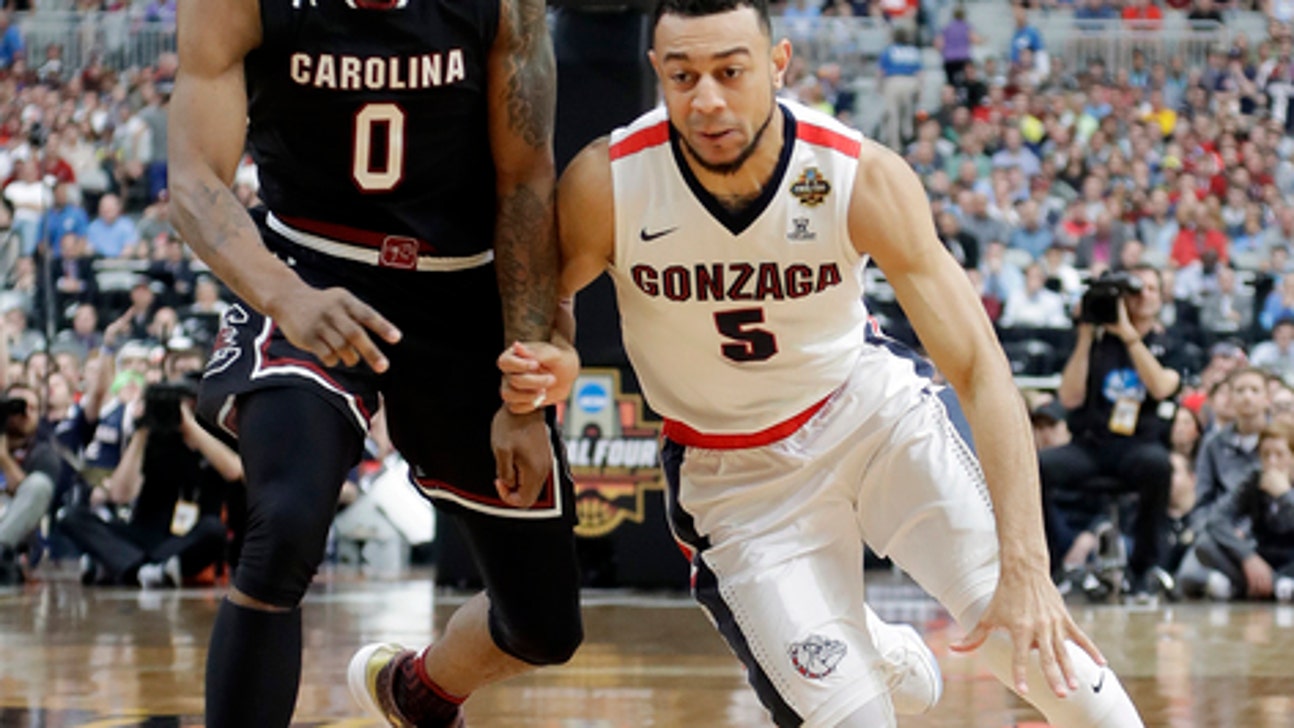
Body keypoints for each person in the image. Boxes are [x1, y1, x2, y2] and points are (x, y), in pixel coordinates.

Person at [503, 0, 1144, 724]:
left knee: (1048, 660)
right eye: (683, 76)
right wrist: (553, 353)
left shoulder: (855, 174)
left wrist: (1030, 570)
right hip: (735, 478)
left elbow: (982, 370)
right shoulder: (609, 181)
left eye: (729, 71)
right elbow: (546, 296)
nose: (706, 99)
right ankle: (868, 647)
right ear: (657, 72)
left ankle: (877, 637)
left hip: (870, 417)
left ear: (778, 66)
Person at [168, 0, 576, 725]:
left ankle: (418, 689)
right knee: (283, 527)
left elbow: (526, 184)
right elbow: (196, 180)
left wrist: (524, 403)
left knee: (542, 627)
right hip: (306, 269)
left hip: (459, 283)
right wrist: (289, 299)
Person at [1040, 264, 1179, 603]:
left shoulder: (1168, 343)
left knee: (1159, 466)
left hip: (1137, 447)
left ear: (1161, 298)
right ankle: (1054, 563)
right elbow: (1069, 397)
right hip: (1091, 447)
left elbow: (1161, 387)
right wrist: (1086, 335)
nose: (1143, 295)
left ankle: (1143, 570)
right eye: (1136, 289)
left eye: (1151, 289)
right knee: (1037, 466)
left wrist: (1129, 334)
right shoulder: (1096, 343)